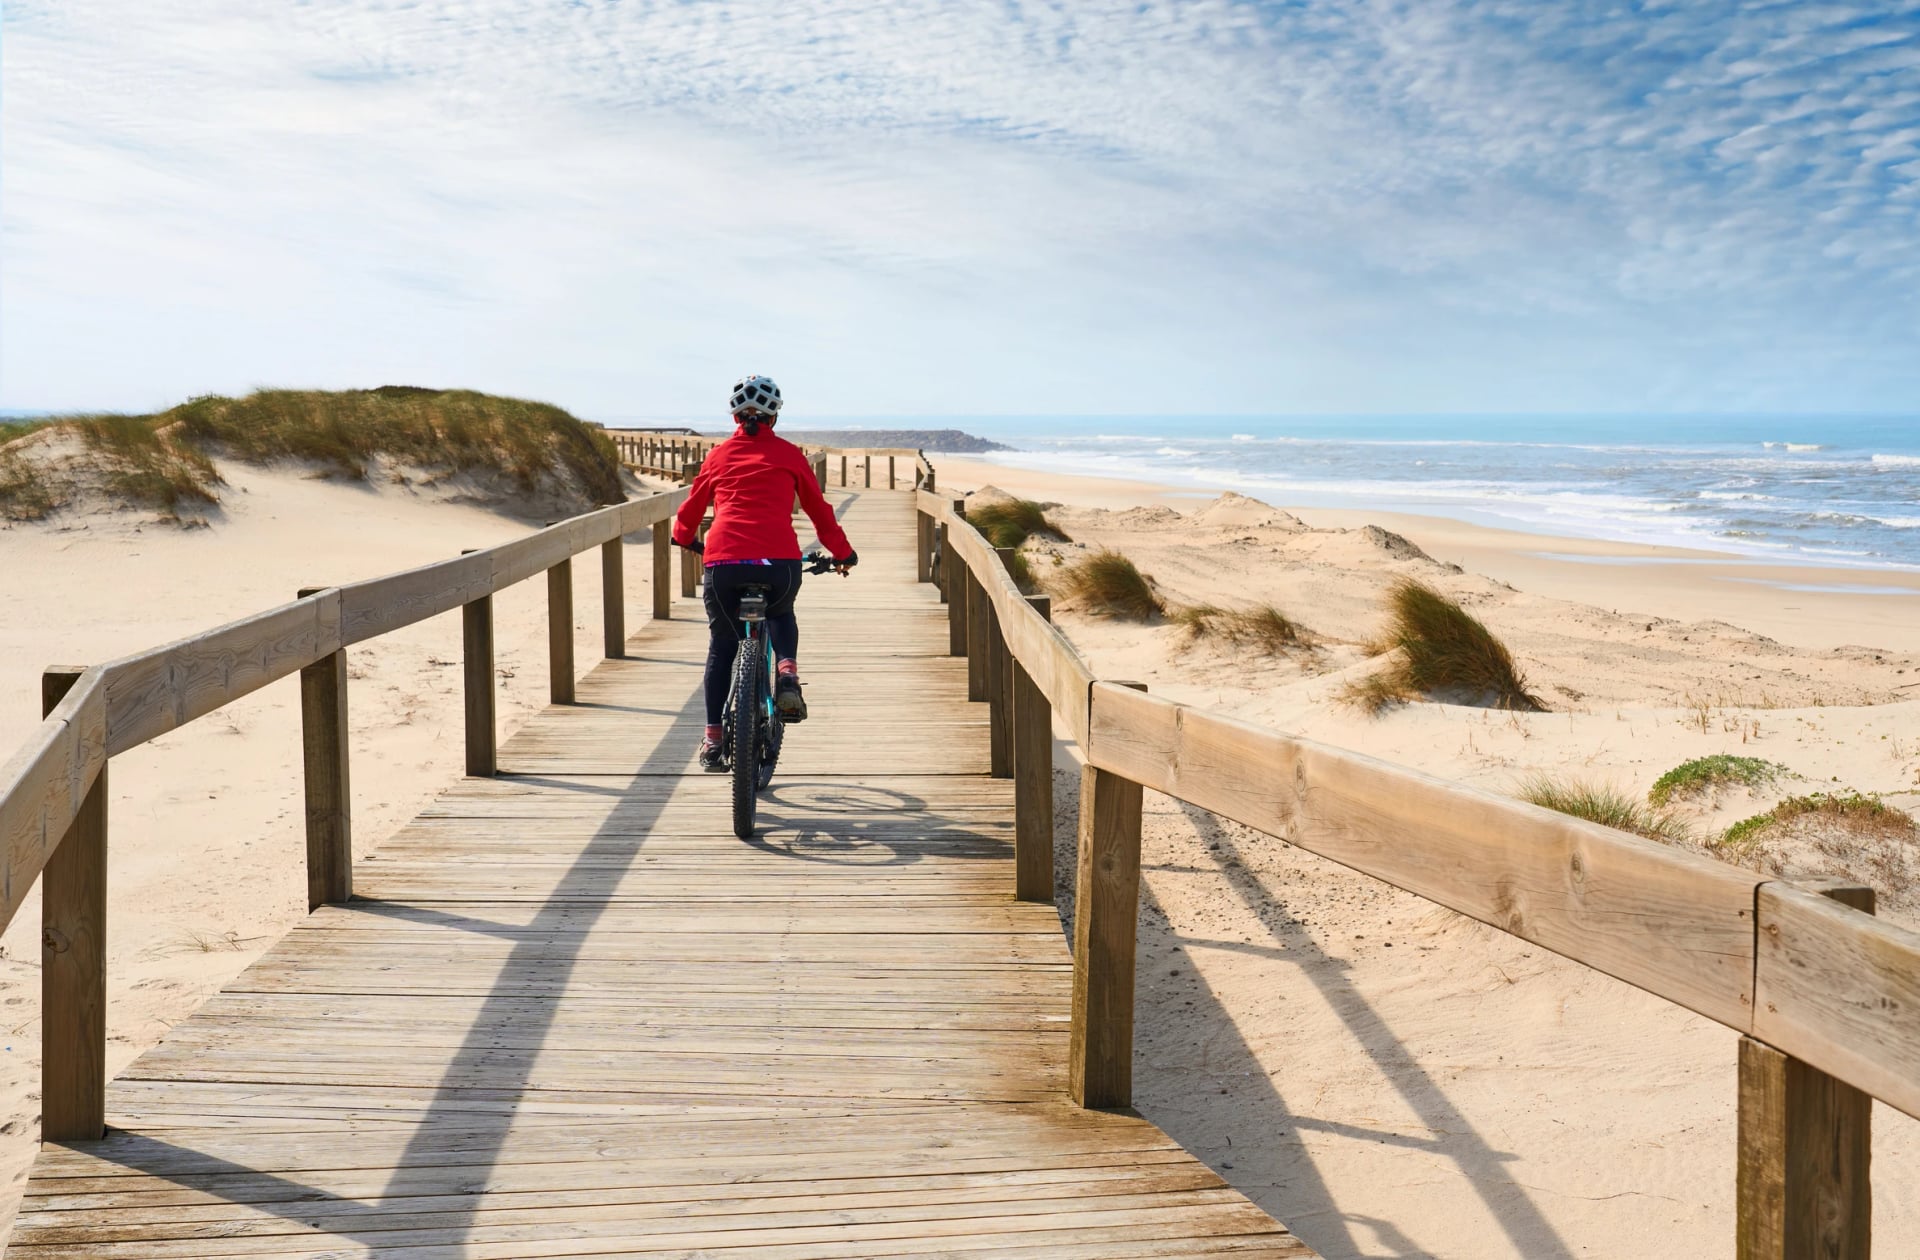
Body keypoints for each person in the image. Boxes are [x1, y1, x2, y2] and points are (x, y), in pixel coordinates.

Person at [671, 374, 856, 772]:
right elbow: (820, 513)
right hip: (779, 564)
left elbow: (689, 511)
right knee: (779, 612)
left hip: (723, 563)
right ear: (775, 415)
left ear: (736, 416)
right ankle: (786, 672)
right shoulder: (790, 455)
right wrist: (843, 554)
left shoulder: (718, 457)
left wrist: (683, 537)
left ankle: (712, 739)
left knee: (723, 645)